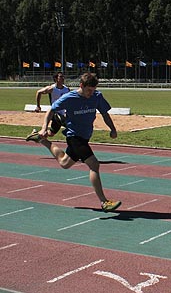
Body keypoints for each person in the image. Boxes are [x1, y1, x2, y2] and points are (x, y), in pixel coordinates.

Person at [25, 72, 121, 212]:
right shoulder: (69, 98)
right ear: (81, 85)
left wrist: (113, 129)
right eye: (89, 90)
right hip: (74, 137)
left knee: (64, 163)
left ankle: (42, 140)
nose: (91, 93)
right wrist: (44, 127)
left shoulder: (97, 96)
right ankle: (104, 202)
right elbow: (51, 110)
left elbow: (105, 114)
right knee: (94, 165)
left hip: (85, 136)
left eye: (93, 90)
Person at [33, 72, 70, 136]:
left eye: (63, 77)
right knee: (69, 124)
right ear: (56, 79)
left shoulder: (67, 89)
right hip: (54, 112)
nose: (63, 78)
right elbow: (39, 92)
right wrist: (38, 106)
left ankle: (36, 134)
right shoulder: (51, 88)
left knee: (51, 133)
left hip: (62, 113)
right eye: (61, 77)